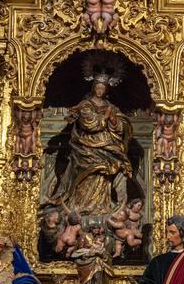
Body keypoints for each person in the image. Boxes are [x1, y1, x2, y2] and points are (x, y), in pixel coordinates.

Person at [51, 67, 133, 215]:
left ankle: (101, 206)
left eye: (103, 88)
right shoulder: (86, 105)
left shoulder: (111, 107)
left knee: (102, 175)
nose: (100, 91)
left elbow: (122, 127)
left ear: (106, 90)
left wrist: (113, 119)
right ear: (93, 87)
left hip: (106, 147)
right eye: (98, 87)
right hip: (86, 148)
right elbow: (89, 124)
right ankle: (81, 206)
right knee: (86, 176)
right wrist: (106, 117)